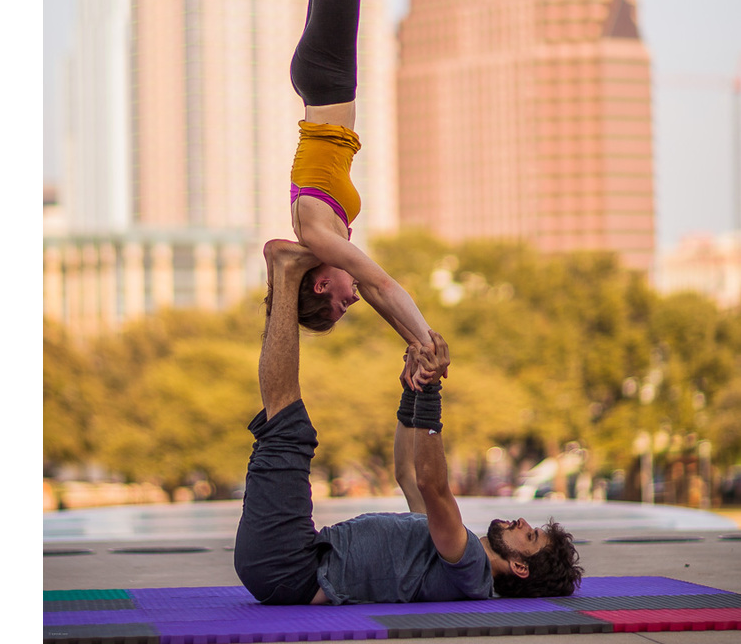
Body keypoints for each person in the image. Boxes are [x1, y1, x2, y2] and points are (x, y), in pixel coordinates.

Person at [235, 240, 584, 605]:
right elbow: (407, 473)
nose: (523, 524)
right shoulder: (445, 548)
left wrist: (432, 390)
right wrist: (413, 391)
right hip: (294, 563)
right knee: (286, 430)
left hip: (292, 569)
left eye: (530, 537)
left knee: (288, 431)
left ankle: (286, 274)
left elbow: (431, 484)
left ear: (519, 567)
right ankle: (285, 273)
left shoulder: (469, 567)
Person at [282, 0, 445, 387]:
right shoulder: (317, 234)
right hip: (327, 83)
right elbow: (370, 285)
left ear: (321, 281)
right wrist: (417, 342)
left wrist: (422, 340)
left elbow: (378, 285)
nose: (350, 299)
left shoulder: (317, 235)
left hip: (325, 82)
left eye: (338, 301)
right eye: (347, 306)